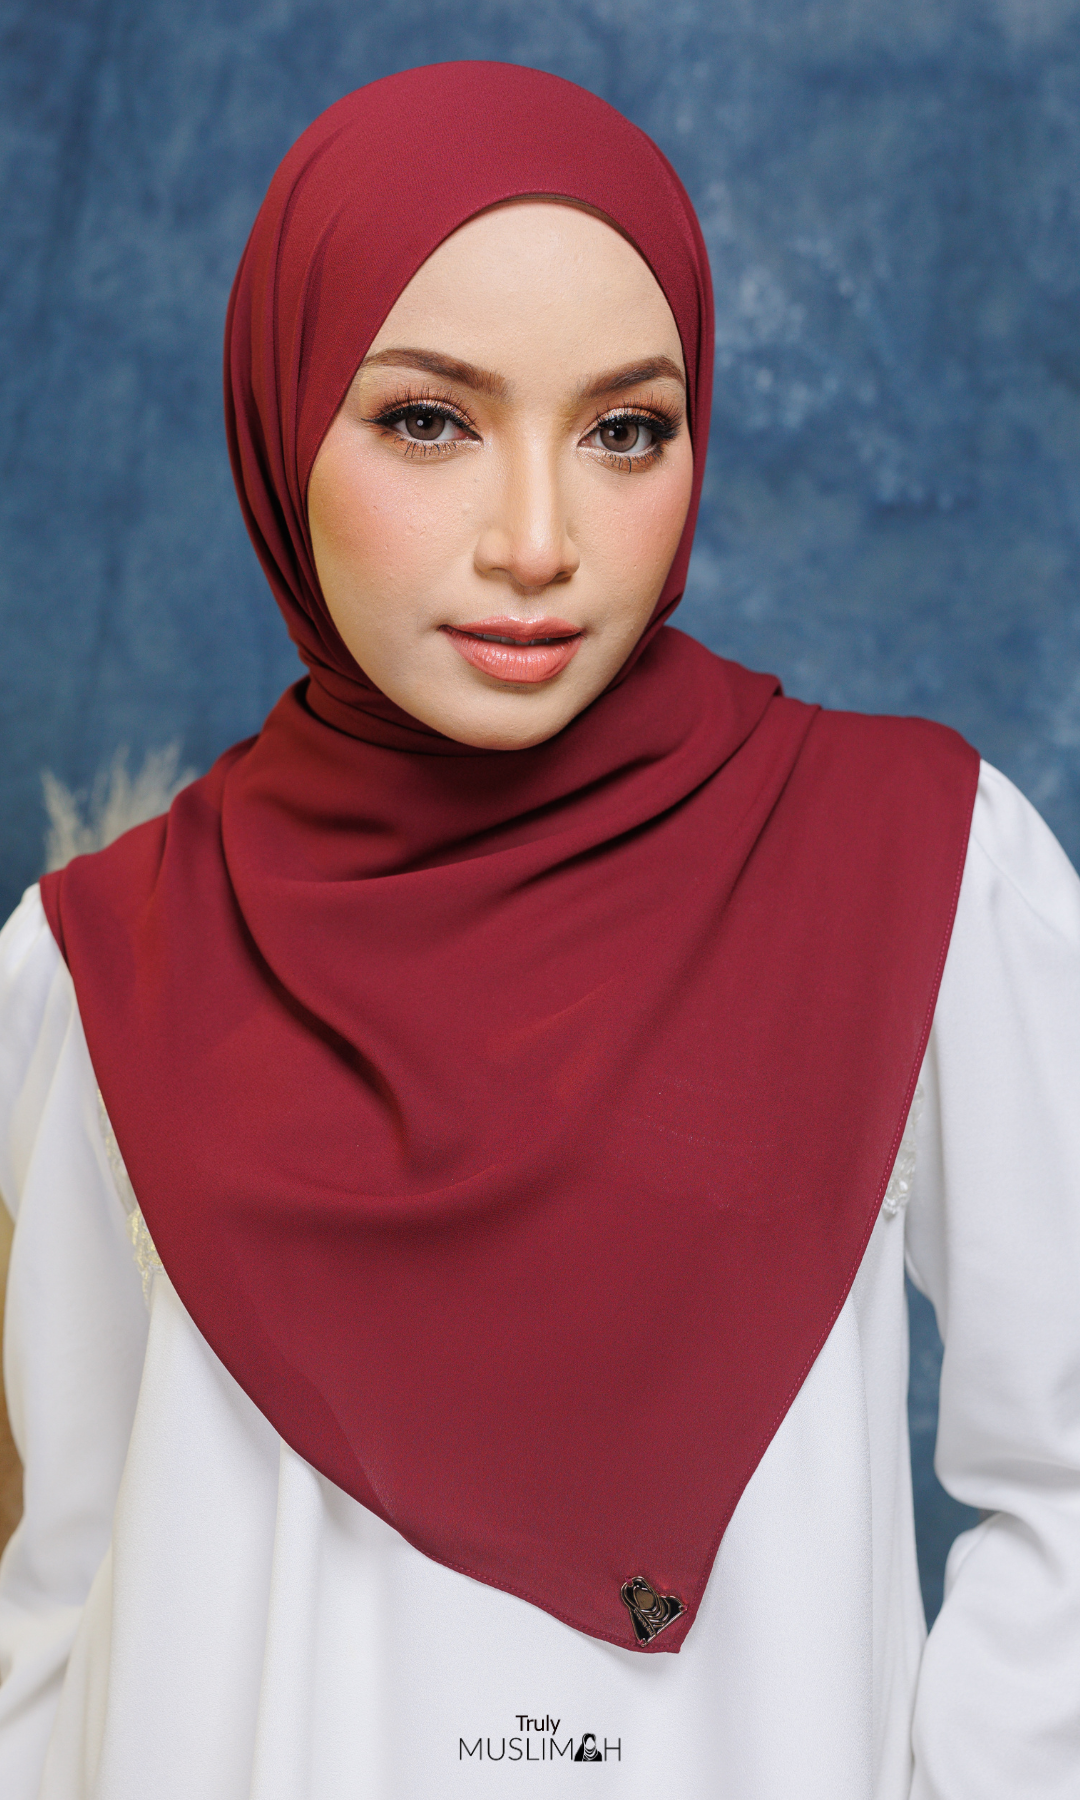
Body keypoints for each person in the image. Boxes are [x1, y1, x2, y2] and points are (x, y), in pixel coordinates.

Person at [0, 60, 1078, 1800]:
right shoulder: (98, 960)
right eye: (431, 421)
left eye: (623, 431)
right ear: (285, 422)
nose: (536, 542)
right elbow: (55, 1589)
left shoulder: (922, 875)